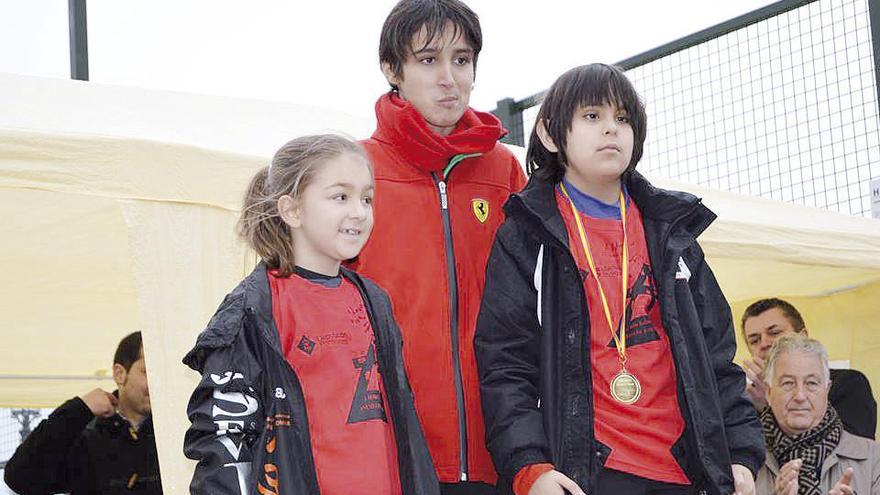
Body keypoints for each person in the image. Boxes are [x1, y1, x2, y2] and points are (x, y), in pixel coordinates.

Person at [474, 64, 765, 495]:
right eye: (592, 116)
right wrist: (528, 465)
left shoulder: (671, 230)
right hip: (588, 472)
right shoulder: (527, 233)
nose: (611, 128)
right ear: (552, 135)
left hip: (686, 471)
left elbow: (715, 353)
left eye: (623, 117)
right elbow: (505, 364)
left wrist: (741, 451)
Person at [182, 134, 438, 495]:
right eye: (340, 196)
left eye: (367, 198)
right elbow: (224, 439)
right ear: (292, 210)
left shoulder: (374, 300)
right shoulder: (254, 309)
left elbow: (404, 425)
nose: (359, 211)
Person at [350, 1, 526, 492]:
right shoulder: (355, 170)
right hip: (393, 450)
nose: (449, 77)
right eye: (428, 60)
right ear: (392, 70)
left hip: (503, 449)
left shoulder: (505, 171)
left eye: (462, 59)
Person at [4, 331, 161, 494]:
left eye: (165, 372)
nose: (159, 381)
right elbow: (19, 478)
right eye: (148, 371)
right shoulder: (84, 436)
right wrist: (78, 409)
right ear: (120, 374)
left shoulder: (179, 432)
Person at [755, 334, 880, 495]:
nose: (800, 395)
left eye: (811, 383)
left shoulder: (874, 459)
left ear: (826, 390)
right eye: (788, 383)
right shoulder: (743, 463)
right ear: (768, 392)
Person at [741, 297, 877, 440]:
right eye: (754, 340)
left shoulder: (848, 383)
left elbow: (852, 450)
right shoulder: (746, 402)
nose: (764, 344)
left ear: (803, 336)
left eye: (774, 333)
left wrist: (772, 404)